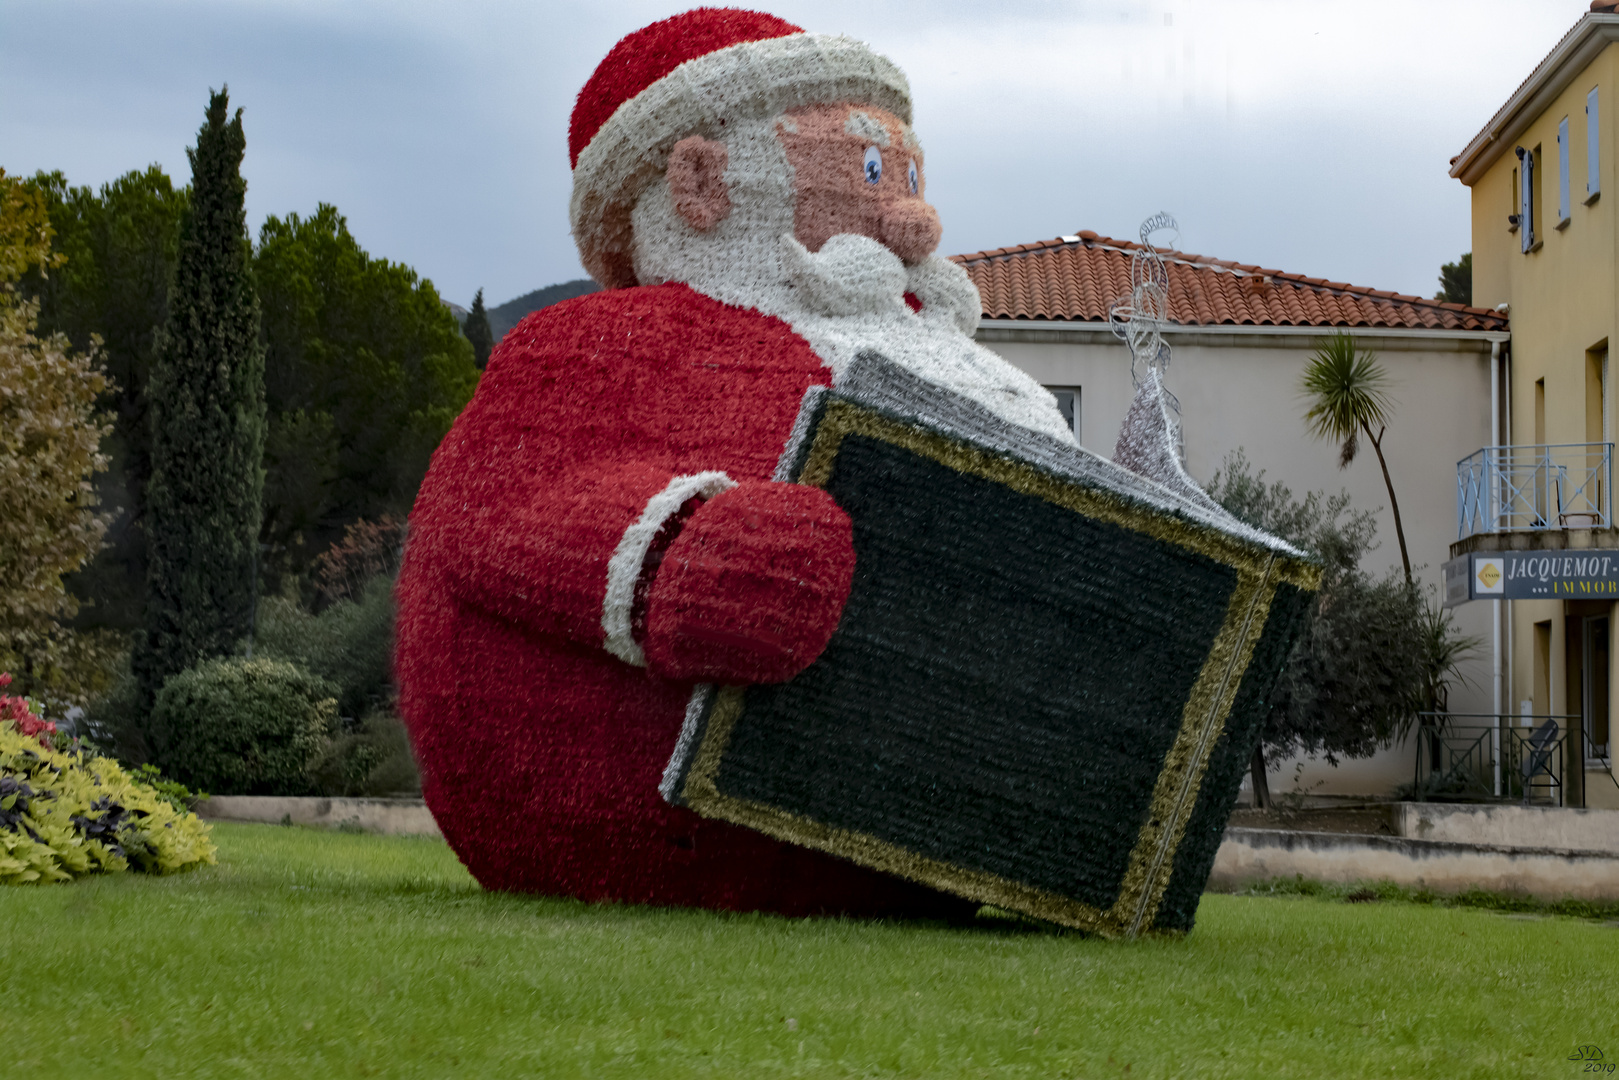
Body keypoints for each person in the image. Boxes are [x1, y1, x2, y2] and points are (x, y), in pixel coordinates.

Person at [396, 7, 1071, 914]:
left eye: (908, 173)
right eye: (868, 169)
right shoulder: (599, 344)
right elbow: (483, 517)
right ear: (702, 181)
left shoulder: (955, 362)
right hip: (649, 838)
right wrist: (682, 555)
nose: (912, 219)